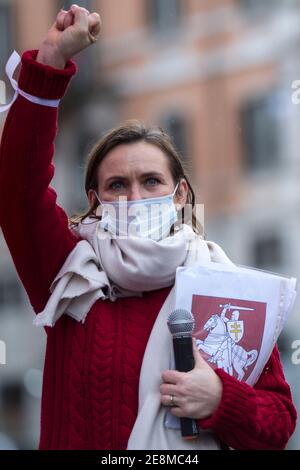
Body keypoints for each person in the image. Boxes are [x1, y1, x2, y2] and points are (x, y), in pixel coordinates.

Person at [0, 4, 297, 450]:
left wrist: (220, 398)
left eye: (151, 181)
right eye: (117, 184)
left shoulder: (227, 290)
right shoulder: (66, 272)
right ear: (96, 201)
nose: (134, 197)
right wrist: (50, 62)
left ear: (179, 194)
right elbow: (18, 190)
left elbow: (279, 423)